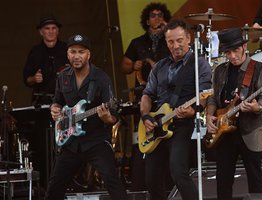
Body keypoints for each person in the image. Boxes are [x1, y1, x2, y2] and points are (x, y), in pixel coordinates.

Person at [45, 34, 128, 200]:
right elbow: (57, 101)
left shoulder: (101, 78)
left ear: (88, 54)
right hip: (70, 142)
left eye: (81, 52)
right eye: (73, 52)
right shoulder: (63, 77)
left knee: (112, 180)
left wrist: (106, 118)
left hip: (96, 140)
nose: (76, 56)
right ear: (67, 54)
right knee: (54, 186)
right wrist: (54, 109)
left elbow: (114, 117)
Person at [140, 19, 212, 200]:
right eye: (171, 41)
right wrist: (146, 116)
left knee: (178, 173)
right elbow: (147, 95)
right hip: (157, 125)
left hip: (181, 123)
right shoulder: (159, 66)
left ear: (188, 38)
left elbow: (205, 94)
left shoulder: (199, 63)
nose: (176, 45)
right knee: (151, 179)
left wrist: (195, 110)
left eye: (179, 40)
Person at [205, 27, 262, 200]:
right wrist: (209, 115)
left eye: (235, 50)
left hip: (250, 130)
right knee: (223, 181)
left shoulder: (259, 69)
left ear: (244, 46)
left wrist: (256, 107)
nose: (232, 56)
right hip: (224, 131)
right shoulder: (220, 70)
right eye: (227, 52)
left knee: (255, 180)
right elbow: (213, 98)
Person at [121, 2, 171, 191]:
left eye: (160, 15)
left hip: (167, 95)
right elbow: (124, 66)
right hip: (144, 94)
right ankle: (142, 181)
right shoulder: (137, 43)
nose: (156, 18)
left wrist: (168, 30)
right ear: (146, 20)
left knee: (166, 134)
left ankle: (167, 181)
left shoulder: (170, 39)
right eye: (153, 15)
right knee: (144, 135)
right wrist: (133, 66)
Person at [23, 15, 68, 106]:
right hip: (41, 102)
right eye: (47, 28)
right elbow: (26, 79)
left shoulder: (67, 50)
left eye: (54, 28)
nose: (51, 31)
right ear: (41, 32)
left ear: (58, 30)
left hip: (65, 101)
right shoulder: (35, 52)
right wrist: (34, 78)